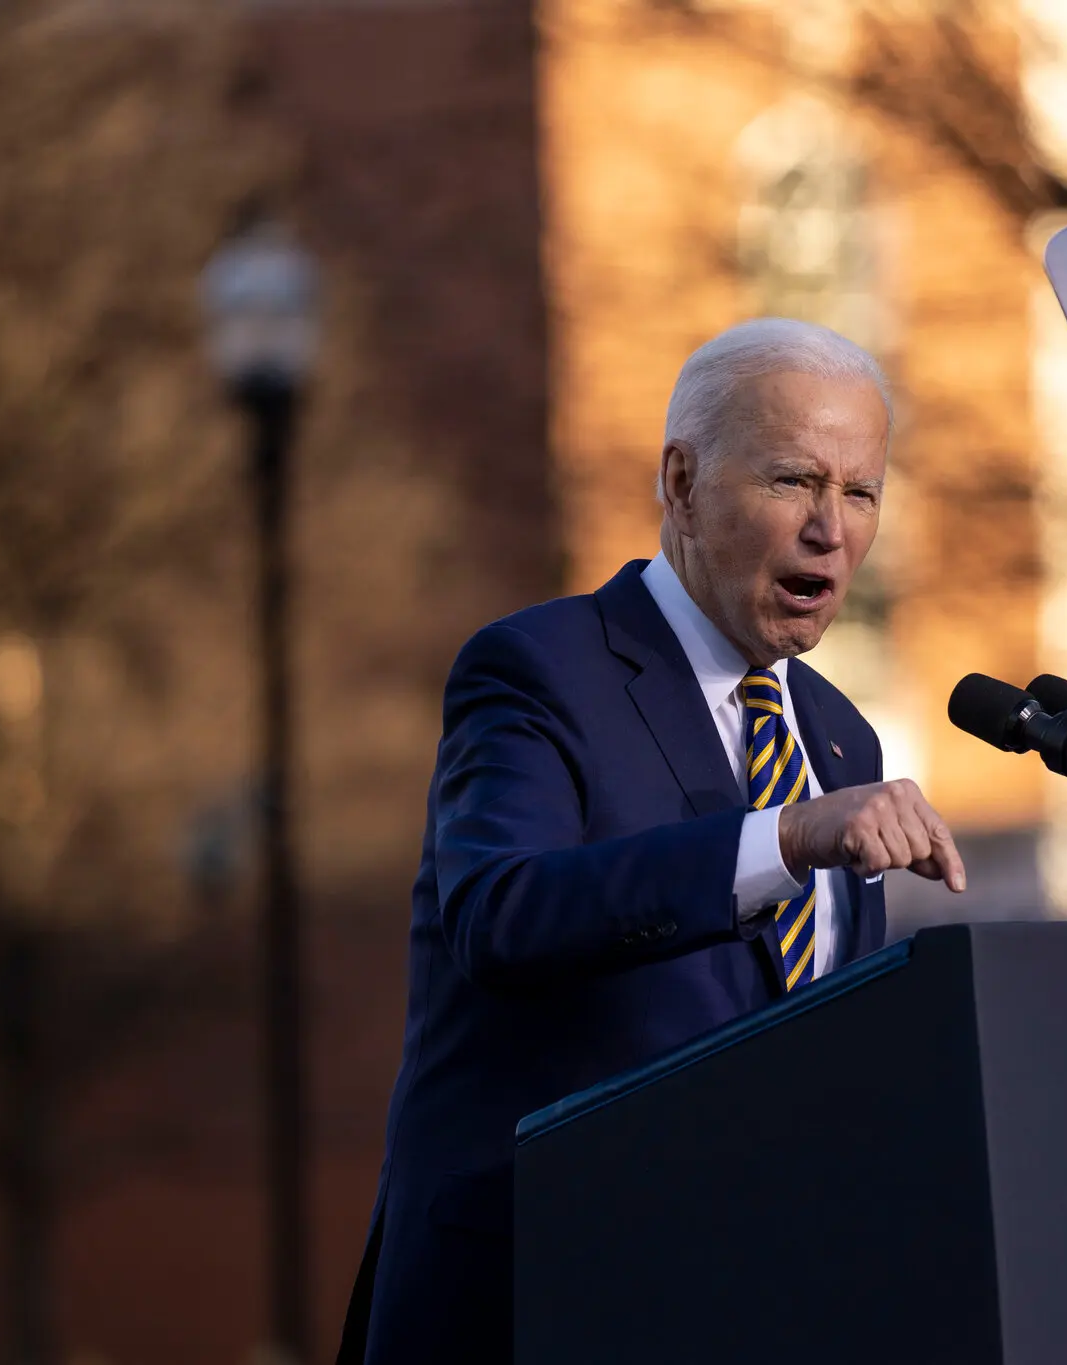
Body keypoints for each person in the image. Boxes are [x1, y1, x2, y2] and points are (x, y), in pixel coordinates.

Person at [337, 318, 966, 1364]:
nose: (832, 530)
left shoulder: (839, 733)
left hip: (741, 1306)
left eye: (861, 492)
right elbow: (502, 913)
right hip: (532, 1299)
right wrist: (784, 834)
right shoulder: (539, 671)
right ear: (679, 481)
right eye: (792, 481)